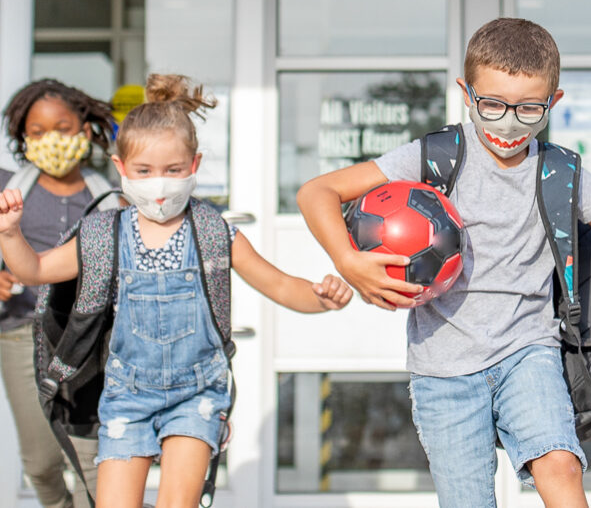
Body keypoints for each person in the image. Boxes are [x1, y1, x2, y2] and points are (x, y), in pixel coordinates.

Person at [296, 18, 591, 508]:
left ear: (553, 103)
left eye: (528, 109)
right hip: (444, 369)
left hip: (529, 353)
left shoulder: (561, 171)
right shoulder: (438, 155)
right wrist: (348, 261)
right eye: (493, 105)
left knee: (561, 467)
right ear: (466, 92)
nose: (508, 123)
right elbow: (317, 192)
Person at [0, 74, 354, 508]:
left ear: (195, 165)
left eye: (173, 170)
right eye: (145, 171)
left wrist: (323, 297)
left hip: (196, 393)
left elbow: (279, 284)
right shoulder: (103, 234)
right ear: (121, 168)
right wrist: (10, 234)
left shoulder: (212, 232)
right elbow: (34, 270)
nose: (160, 184)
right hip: (126, 395)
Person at [0, 79, 118, 508]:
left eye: (63, 127)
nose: (51, 139)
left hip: (94, 343)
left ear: (84, 131)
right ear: (23, 138)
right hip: (20, 335)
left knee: (93, 461)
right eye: (37, 132)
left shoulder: (111, 197)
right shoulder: (6, 189)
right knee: (41, 463)